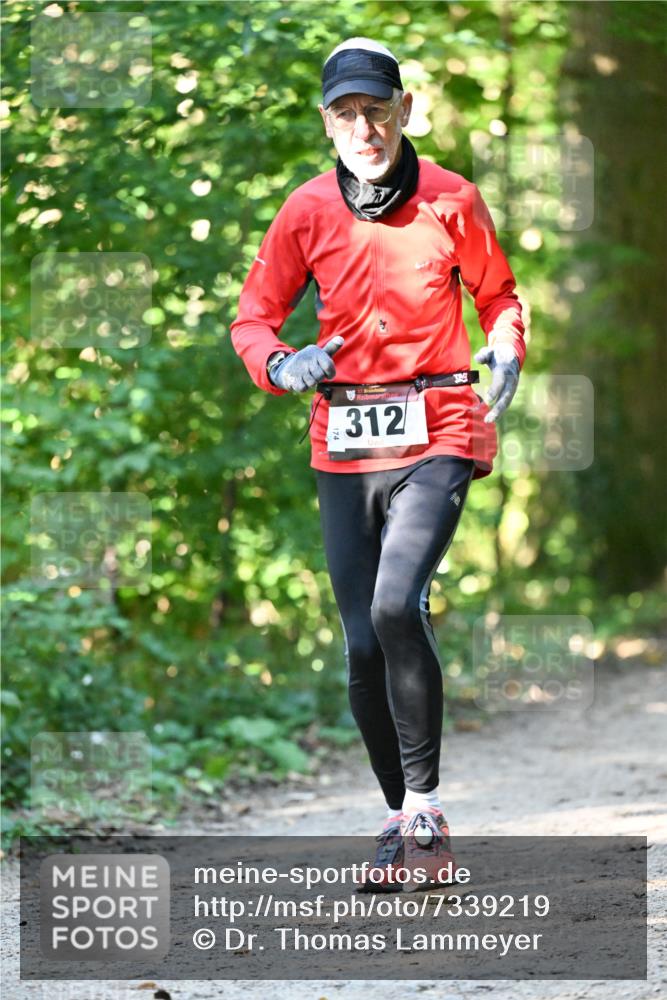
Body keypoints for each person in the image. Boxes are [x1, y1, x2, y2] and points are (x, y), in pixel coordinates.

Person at [231, 38, 525, 890]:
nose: (362, 127)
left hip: (439, 425)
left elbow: (498, 295)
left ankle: (427, 804)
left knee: (399, 602)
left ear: (403, 109)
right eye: (344, 114)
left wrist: (504, 344)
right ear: (325, 122)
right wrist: (282, 363)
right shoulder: (306, 211)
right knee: (363, 640)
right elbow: (255, 317)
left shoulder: (451, 199)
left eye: (375, 109)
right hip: (345, 442)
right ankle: (403, 822)